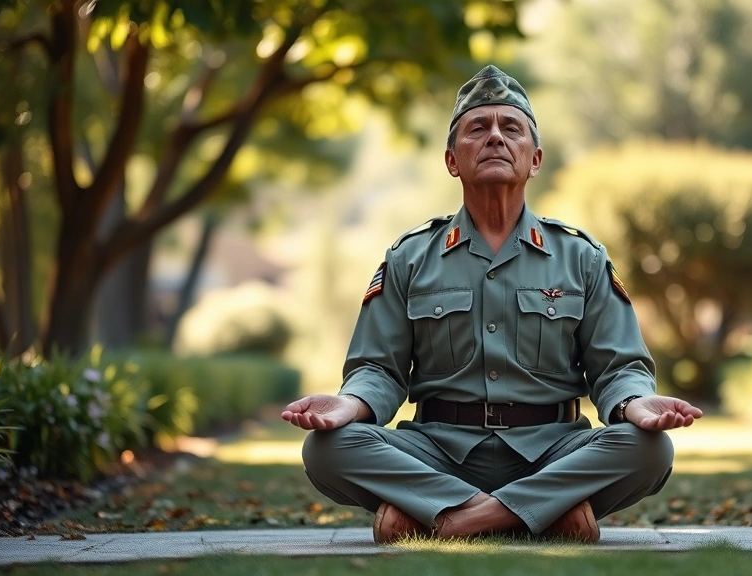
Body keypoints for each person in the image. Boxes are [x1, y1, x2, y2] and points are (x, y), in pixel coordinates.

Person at [281, 65, 703, 544]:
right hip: (437, 452)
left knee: (648, 450)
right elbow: (378, 368)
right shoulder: (411, 256)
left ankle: (444, 519)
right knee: (327, 449)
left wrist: (636, 403)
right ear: (451, 160)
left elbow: (618, 366)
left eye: (512, 128)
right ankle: (546, 514)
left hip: (553, 452)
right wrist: (349, 405)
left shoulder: (581, 256)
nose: (496, 138)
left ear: (535, 158)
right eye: (478, 128)